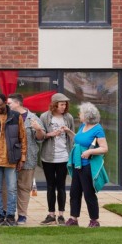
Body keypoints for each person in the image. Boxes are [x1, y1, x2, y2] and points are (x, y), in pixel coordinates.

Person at [0, 93, 27, 227]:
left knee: (12, 189)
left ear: (5, 103)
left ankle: (11, 216)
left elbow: (22, 138)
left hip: (12, 159)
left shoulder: (16, 116)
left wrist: (23, 158)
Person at [63, 102, 109, 228]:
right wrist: (69, 132)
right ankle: (73, 218)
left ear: (88, 115)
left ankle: (94, 220)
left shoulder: (97, 129)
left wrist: (90, 151)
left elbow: (104, 148)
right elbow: (78, 139)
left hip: (88, 166)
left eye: (81, 113)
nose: (79, 115)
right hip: (78, 164)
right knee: (74, 192)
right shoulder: (83, 126)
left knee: (89, 193)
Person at [7, 93, 46, 225]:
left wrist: (38, 129)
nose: (8, 105)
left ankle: (22, 215)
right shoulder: (8, 117)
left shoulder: (33, 118)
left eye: (9, 103)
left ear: (17, 103)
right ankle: (8, 213)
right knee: (9, 187)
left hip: (28, 159)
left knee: (24, 188)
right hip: (10, 159)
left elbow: (40, 138)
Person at [39, 93, 75, 226]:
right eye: (61, 104)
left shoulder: (68, 117)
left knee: (61, 186)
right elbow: (40, 136)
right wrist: (51, 134)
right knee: (50, 186)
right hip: (48, 157)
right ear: (55, 104)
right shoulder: (44, 116)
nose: (64, 107)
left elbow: (72, 137)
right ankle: (50, 214)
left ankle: (61, 215)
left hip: (64, 157)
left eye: (65, 104)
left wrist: (67, 131)